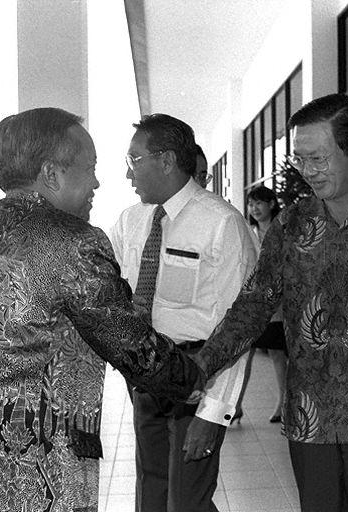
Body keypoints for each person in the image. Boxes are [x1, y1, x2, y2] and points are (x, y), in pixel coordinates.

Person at [0, 107, 205, 512]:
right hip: (24, 483)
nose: (98, 181)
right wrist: (195, 376)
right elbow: (133, 347)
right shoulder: (73, 243)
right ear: (51, 175)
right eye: (91, 167)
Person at [194, 93, 348, 512]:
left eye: (319, 158)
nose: (309, 171)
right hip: (310, 419)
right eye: (301, 160)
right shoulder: (291, 225)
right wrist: (202, 363)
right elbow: (253, 306)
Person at [110, 113, 256, 512]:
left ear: (167, 160)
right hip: (146, 380)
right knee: (152, 493)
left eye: (133, 159)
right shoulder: (130, 221)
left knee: (186, 502)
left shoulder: (222, 224)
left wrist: (215, 412)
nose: (128, 173)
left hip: (197, 378)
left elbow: (239, 328)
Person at [233, 185, 287, 424]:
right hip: (253, 301)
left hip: (277, 303)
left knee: (277, 353)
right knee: (245, 353)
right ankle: (236, 405)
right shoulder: (247, 231)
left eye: (259, 203)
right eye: (251, 204)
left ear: (271, 204)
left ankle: (283, 404)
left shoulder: (283, 230)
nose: (254, 208)